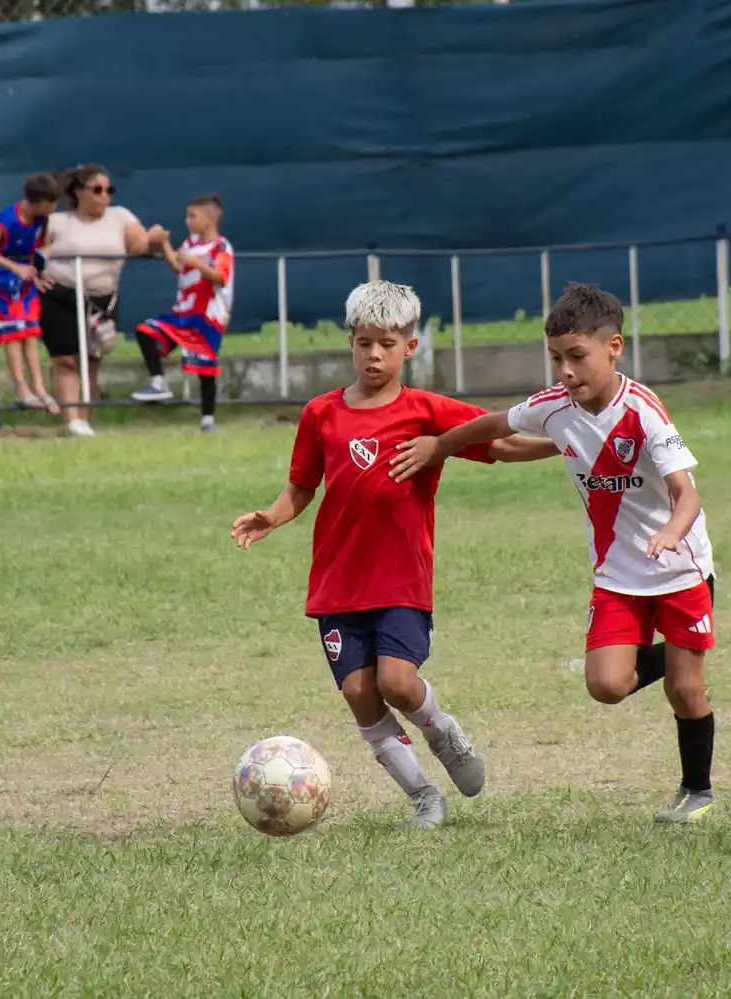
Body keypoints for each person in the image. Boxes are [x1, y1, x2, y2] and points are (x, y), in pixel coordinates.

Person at [229, 280, 560, 829]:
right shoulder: (321, 414)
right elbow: (302, 486)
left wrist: (566, 441)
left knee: (398, 683)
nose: (373, 355)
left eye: (386, 343)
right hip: (337, 582)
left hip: (401, 578)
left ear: (410, 346)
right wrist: (272, 515)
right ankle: (424, 796)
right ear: (350, 343)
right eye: (363, 343)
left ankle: (444, 734)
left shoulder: (428, 412)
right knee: (361, 693)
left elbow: (499, 443)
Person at [390, 283, 719, 825]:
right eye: (556, 358)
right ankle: (689, 650)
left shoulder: (645, 412)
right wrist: (438, 445)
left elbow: (688, 495)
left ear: (614, 346)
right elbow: (495, 426)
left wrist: (669, 534)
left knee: (686, 690)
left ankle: (696, 789)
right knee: (606, 685)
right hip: (617, 574)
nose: (565, 370)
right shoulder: (553, 407)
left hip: (679, 568)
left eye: (577, 357)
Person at [40, 164, 167, 437]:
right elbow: (32, 254)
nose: (104, 196)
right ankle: (71, 419)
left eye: (109, 190)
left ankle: (85, 418)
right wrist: (35, 274)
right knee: (66, 361)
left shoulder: (120, 217)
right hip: (61, 295)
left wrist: (153, 240)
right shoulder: (58, 222)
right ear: (78, 192)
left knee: (91, 361)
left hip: (101, 300)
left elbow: (138, 245)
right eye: (97, 190)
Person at [133, 195, 233, 432]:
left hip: (206, 317)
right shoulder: (190, 244)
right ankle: (158, 382)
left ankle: (207, 419)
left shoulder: (221, 246)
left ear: (210, 219)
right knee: (146, 331)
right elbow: (178, 267)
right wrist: (164, 244)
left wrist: (197, 263)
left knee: (205, 367)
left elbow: (221, 276)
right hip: (182, 313)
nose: (188, 221)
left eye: (193, 216)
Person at [0, 172, 60, 413]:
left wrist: (40, 273)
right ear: (37, 200)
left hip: (26, 284)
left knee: (31, 332)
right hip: (1, 284)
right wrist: (15, 268)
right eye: (51, 202)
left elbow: (41, 248)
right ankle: (21, 388)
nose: (54, 207)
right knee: (12, 335)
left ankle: (39, 387)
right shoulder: (9, 218)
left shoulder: (42, 221)